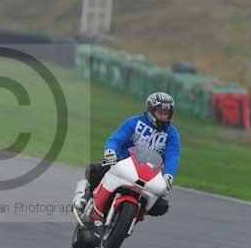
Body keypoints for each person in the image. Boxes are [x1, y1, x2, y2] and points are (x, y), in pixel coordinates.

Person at [73, 92, 181, 222]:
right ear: (151, 111)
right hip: (123, 163)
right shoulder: (134, 122)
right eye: (161, 112)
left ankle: (134, 217)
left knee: (161, 205)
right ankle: (85, 197)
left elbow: (173, 155)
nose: (164, 116)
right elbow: (116, 139)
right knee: (96, 170)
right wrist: (111, 152)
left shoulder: (172, 134)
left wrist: (168, 174)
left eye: (167, 114)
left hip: (149, 172)